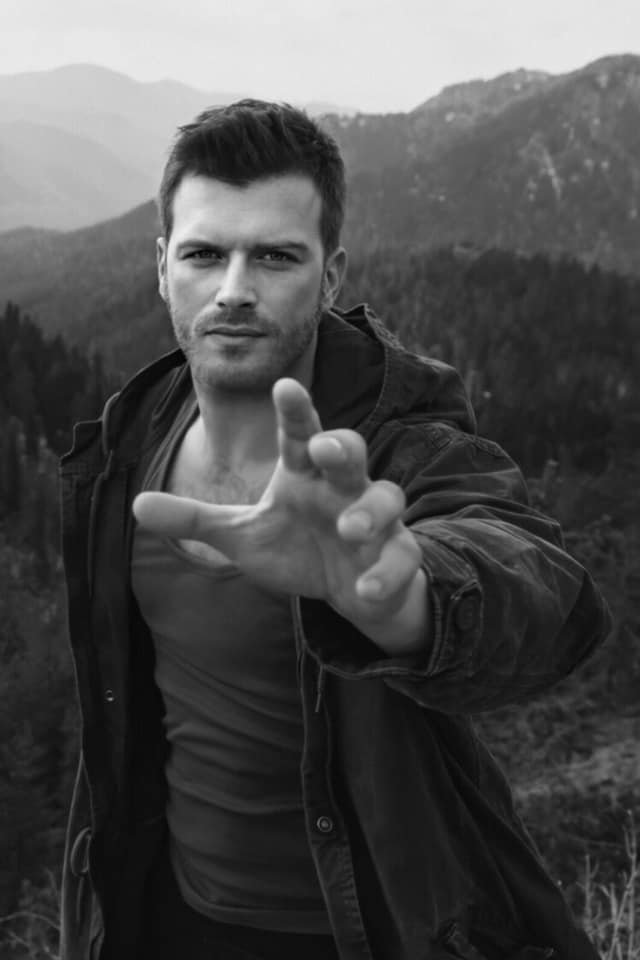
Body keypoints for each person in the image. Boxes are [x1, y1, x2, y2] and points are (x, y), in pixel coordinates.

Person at [58, 99, 611, 960]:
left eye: (276, 256)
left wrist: (409, 602)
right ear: (162, 266)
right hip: (167, 914)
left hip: (375, 928)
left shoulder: (395, 446)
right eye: (204, 254)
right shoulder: (124, 446)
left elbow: (540, 581)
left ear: (331, 277)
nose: (234, 289)